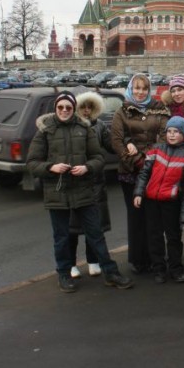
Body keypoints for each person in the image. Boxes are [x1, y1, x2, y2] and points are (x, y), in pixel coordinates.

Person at [27, 91, 133, 292]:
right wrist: (51, 167)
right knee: (62, 237)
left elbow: (98, 158)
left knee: (96, 234)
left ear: (72, 108)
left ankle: (111, 273)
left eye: (68, 107)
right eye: (61, 107)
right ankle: (64, 274)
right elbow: (32, 163)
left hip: (84, 190)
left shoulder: (85, 128)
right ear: (56, 108)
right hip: (57, 192)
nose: (65, 111)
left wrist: (88, 167)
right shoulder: (45, 130)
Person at [111, 73, 170, 275]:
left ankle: (156, 258)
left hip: (154, 170)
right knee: (135, 217)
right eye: (136, 88)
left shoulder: (160, 109)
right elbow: (117, 141)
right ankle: (138, 258)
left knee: (153, 217)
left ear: (149, 90)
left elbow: (164, 136)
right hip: (130, 172)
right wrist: (136, 161)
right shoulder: (122, 111)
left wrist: (148, 159)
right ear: (130, 89)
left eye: (144, 88)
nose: (140, 92)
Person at [133, 116, 184, 284]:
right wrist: (139, 193)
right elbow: (144, 174)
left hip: (172, 203)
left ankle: (176, 269)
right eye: (169, 131)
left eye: (176, 132)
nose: (172, 135)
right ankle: (159, 268)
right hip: (152, 201)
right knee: (155, 237)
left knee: (173, 237)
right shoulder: (155, 150)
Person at [68, 91, 114, 280]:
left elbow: (111, 145)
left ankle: (93, 261)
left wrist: (127, 144)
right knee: (71, 227)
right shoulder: (70, 126)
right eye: (83, 107)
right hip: (74, 181)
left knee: (93, 226)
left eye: (90, 107)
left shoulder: (100, 126)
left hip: (95, 181)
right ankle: (70, 264)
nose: (86, 111)